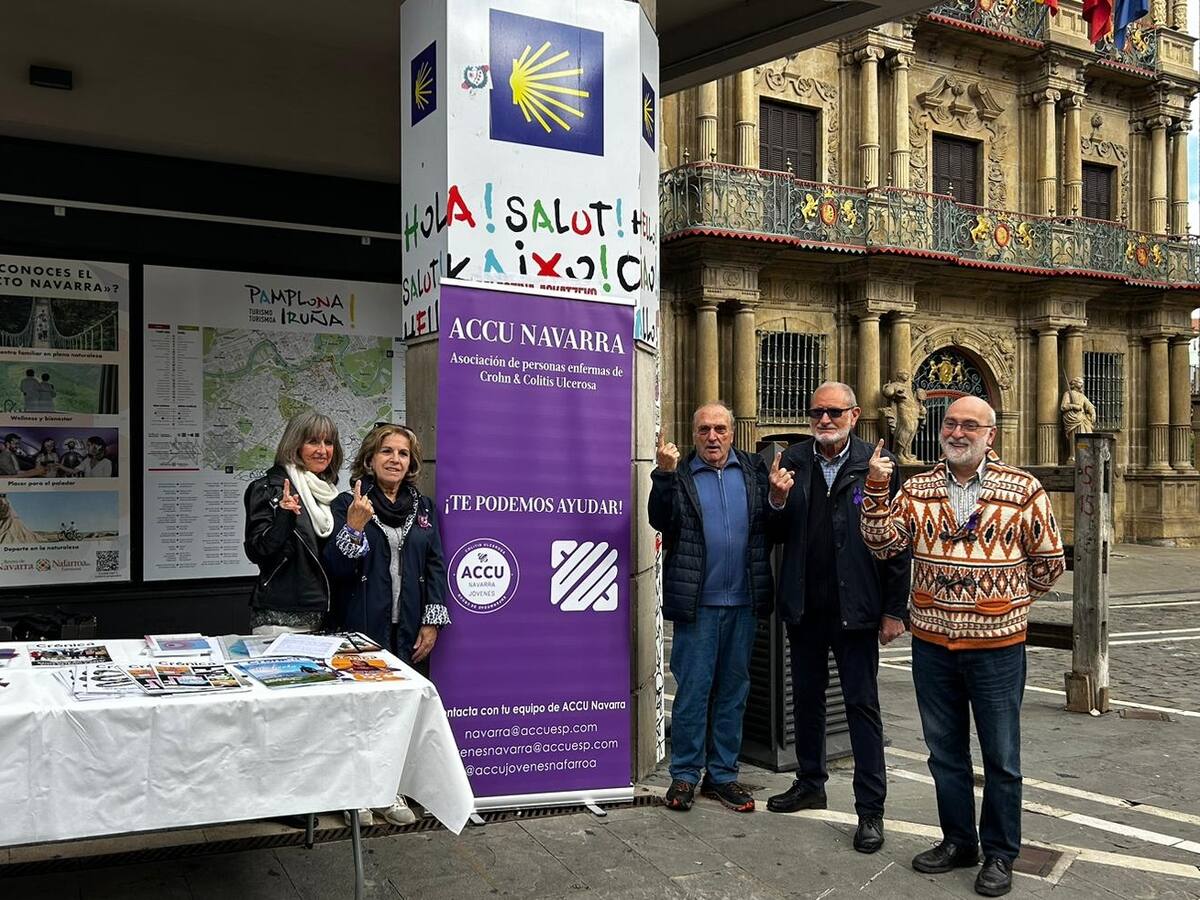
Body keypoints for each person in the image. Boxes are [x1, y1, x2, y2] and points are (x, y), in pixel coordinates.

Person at [860, 396, 1065, 898]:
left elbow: (1049, 563)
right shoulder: (919, 487)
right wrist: (876, 488)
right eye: (950, 423)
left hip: (997, 648)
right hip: (932, 644)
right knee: (944, 753)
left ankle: (999, 852)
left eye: (970, 425)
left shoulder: (1023, 489)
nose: (957, 432)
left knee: (1001, 756)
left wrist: (1004, 601)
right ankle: (958, 841)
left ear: (990, 435)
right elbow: (882, 544)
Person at [764, 382, 911, 855]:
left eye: (833, 412)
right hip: (805, 606)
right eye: (816, 412)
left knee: (861, 706)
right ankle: (811, 782)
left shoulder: (879, 465)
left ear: (854, 414)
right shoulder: (793, 461)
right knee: (805, 699)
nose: (824, 420)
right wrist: (777, 501)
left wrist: (893, 610)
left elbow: (898, 548)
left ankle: (870, 811)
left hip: (858, 610)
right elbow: (773, 533)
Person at [648, 402, 776, 813]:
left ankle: (722, 775)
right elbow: (660, 520)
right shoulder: (682, 473)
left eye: (720, 429)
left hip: (743, 601)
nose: (712, 437)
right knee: (693, 693)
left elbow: (774, 527)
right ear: (694, 434)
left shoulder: (756, 471)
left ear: (733, 433)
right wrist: (663, 476)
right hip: (699, 606)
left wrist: (779, 496)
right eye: (704, 430)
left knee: (733, 693)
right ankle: (685, 775)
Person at [324, 423, 449, 827]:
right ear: (370, 459)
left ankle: (389, 788)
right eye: (387, 452)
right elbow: (336, 570)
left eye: (403, 453)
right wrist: (355, 526)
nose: (395, 459)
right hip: (360, 628)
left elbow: (435, 566)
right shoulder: (350, 502)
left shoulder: (423, 507)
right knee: (359, 713)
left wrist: (431, 624)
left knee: (397, 713)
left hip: (407, 628)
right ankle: (356, 794)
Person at [243, 411, 344, 637]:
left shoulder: (330, 494)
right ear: (295, 445)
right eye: (313, 441)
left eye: (328, 442)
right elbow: (257, 551)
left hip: (326, 619)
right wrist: (284, 517)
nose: (322, 450)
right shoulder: (268, 489)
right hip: (280, 619)